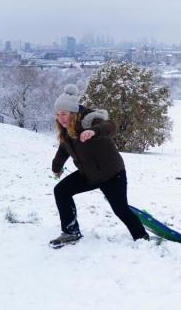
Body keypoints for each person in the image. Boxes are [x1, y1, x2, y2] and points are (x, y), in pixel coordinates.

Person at [49, 84, 148, 247]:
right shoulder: (66, 129)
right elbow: (64, 148)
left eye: (64, 114)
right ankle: (70, 232)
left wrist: (94, 131)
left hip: (111, 174)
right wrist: (56, 167)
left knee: (120, 209)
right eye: (58, 114)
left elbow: (110, 127)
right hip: (88, 174)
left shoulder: (89, 119)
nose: (61, 118)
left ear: (73, 113)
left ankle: (142, 238)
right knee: (61, 191)